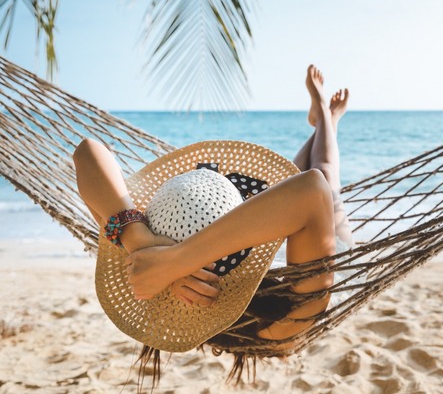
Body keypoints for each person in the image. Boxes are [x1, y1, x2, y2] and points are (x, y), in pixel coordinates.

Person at [72, 65, 353, 341]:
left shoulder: (141, 268)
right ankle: (327, 118)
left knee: (297, 179)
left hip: (264, 226)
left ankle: (323, 119)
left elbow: (86, 152)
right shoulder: (285, 320)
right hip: (319, 251)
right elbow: (314, 189)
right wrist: (173, 262)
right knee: (327, 173)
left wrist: (141, 242)